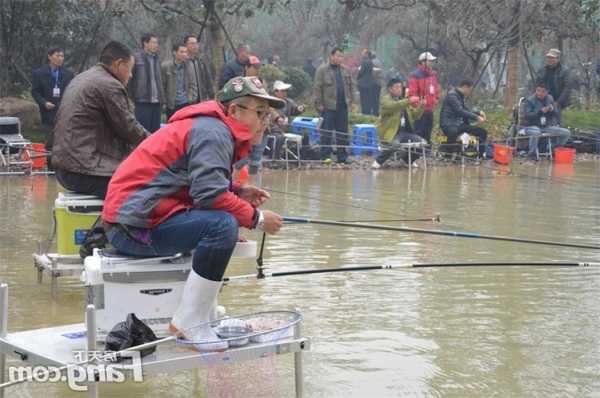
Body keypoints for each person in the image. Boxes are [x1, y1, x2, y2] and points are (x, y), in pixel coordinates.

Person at [101, 76, 285, 351]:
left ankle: (196, 317)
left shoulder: (209, 127)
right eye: (260, 113)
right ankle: (190, 323)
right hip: (131, 228)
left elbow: (195, 184)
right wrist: (257, 219)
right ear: (234, 111)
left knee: (224, 226)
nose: (264, 121)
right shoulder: (213, 132)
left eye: (267, 114)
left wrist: (235, 191)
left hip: (134, 219)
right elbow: (209, 195)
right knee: (222, 226)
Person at [52, 41, 148, 198]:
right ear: (119, 64)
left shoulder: (83, 77)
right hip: (85, 170)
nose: (130, 75)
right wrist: (159, 143)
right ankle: (112, 223)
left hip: (66, 168)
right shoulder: (109, 85)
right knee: (147, 188)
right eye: (130, 69)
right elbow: (129, 128)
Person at [31, 47, 74, 167]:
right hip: (48, 111)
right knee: (50, 141)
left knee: (65, 141)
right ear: (49, 56)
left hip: (64, 111)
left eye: (62, 56)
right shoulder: (39, 73)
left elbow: (72, 90)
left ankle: (65, 168)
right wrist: (44, 102)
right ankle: (51, 168)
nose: (60, 58)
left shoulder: (68, 74)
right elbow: (35, 92)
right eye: (57, 55)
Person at [313, 47, 355, 163]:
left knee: (342, 133)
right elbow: (317, 88)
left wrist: (351, 101)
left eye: (341, 56)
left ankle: (342, 157)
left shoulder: (345, 70)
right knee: (326, 133)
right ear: (331, 56)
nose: (340, 58)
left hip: (343, 106)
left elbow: (351, 86)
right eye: (337, 55)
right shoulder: (322, 70)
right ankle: (325, 156)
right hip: (328, 107)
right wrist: (319, 104)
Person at [372, 78, 425, 168]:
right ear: (390, 89)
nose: (399, 89)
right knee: (395, 144)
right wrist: (408, 101)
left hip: (405, 133)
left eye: (400, 87)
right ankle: (378, 161)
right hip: (392, 133)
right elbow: (394, 106)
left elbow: (415, 116)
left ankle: (408, 160)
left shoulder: (404, 101)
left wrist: (422, 106)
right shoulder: (385, 100)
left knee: (422, 142)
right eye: (396, 87)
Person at [522, 81, 571, 160]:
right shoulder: (530, 100)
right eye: (538, 90)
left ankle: (553, 149)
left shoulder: (550, 98)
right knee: (536, 132)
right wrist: (539, 112)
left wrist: (552, 109)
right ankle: (532, 154)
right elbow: (527, 116)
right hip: (531, 126)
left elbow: (556, 113)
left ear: (547, 92)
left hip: (546, 126)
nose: (540, 93)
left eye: (543, 91)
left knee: (566, 132)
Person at [439, 79, 488, 155]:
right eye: (470, 90)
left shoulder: (459, 96)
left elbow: (466, 110)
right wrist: (476, 117)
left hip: (458, 124)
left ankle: (480, 154)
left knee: (482, 132)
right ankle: (448, 153)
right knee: (453, 132)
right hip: (448, 124)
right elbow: (460, 111)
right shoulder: (452, 96)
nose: (470, 92)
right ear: (465, 87)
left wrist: (479, 113)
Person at [129, 33, 164, 133]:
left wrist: (162, 98)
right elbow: (129, 80)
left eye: (157, 43)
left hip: (156, 102)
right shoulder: (136, 58)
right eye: (153, 42)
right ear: (145, 43)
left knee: (155, 134)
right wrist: (130, 99)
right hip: (142, 102)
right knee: (143, 133)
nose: (156, 45)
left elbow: (159, 80)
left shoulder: (157, 58)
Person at [267, 80, 306, 160]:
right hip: (273, 129)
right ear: (276, 92)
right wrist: (277, 118)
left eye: (285, 91)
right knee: (279, 137)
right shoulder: (270, 101)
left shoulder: (289, 101)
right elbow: (270, 110)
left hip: (286, 129)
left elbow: (295, 110)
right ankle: (275, 159)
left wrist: (300, 108)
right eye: (283, 91)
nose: (285, 93)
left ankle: (300, 159)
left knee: (305, 135)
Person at [408, 52, 441, 143]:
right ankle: (417, 152)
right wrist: (418, 105)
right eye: (430, 61)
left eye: (432, 61)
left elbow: (436, 89)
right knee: (419, 132)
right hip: (420, 110)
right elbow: (412, 93)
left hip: (430, 109)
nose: (432, 63)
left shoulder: (433, 75)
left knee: (428, 132)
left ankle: (426, 151)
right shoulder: (415, 75)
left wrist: (436, 99)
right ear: (423, 62)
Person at [536, 49, 572, 123]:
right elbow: (537, 84)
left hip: (558, 99)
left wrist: (558, 102)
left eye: (552, 58)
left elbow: (567, 88)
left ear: (558, 59)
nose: (550, 60)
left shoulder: (565, 71)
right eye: (549, 57)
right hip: (544, 98)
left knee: (556, 118)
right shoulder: (542, 70)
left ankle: (557, 129)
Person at [161, 43, 191, 120]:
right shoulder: (165, 67)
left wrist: (190, 98)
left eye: (185, 52)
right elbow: (162, 86)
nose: (184, 54)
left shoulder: (188, 66)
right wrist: (165, 102)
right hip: (172, 105)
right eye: (181, 52)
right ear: (174, 53)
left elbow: (191, 84)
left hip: (185, 103)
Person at [184, 35, 214, 103]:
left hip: (201, 99)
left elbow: (208, 79)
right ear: (186, 45)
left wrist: (211, 94)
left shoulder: (200, 62)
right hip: (187, 101)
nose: (195, 46)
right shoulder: (183, 63)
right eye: (192, 43)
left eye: (196, 43)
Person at [357, 48, 380, 116]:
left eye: (363, 53)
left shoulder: (364, 62)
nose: (362, 54)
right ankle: (368, 112)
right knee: (368, 99)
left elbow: (361, 72)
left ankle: (365, 113)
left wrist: (358, 77)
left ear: (366, 54)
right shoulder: (371, 62)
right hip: (370, 83)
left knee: (364, 100)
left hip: (363, 84)